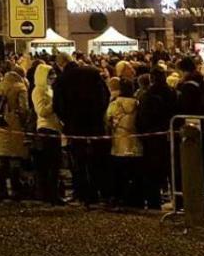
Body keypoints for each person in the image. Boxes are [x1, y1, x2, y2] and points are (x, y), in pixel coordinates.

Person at [52, 53, 109, 206]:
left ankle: (83, 194)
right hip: (95, 124)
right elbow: (106, 95)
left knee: (79, 161)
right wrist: (99, 114)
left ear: (60, 64)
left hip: (75, 126)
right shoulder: (93, 73)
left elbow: (57, 106)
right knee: (97, 158)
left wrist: (67, 121)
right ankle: (100, 192)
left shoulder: (61, 80)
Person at [136, 68, 177, 210]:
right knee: (172, 170)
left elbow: (143, 118)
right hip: (170, 134)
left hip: (152, 137)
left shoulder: (148, 95)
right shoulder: (172, 93)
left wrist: (143, 134)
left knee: (153, 173)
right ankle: (178, 201)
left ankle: (154, 202)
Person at [0, 66, 30, 200]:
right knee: (14, 158)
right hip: (14, 126)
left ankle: (0, 191)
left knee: (0, 158)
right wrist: (24, 123)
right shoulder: (20, 87)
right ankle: (15, 190)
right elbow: (24, 109)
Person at [105, 76, 143, 208]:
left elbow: (108, 120)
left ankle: (119, 198)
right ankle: (134, 199)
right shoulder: (137, 104)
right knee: (133, 173)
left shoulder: (115, 104)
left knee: (119, 174)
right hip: (135, 143)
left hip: (119, 143)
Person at [31, 63, 62, 204]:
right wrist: (55, 104)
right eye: (50, 76)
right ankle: (47, 194)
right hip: (45, 129)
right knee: (47, 164)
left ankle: (52, 193)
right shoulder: (38, 91)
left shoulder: (49, 90)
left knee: (54, 165)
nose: (53, 78)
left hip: (54, 128)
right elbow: (42, 111)